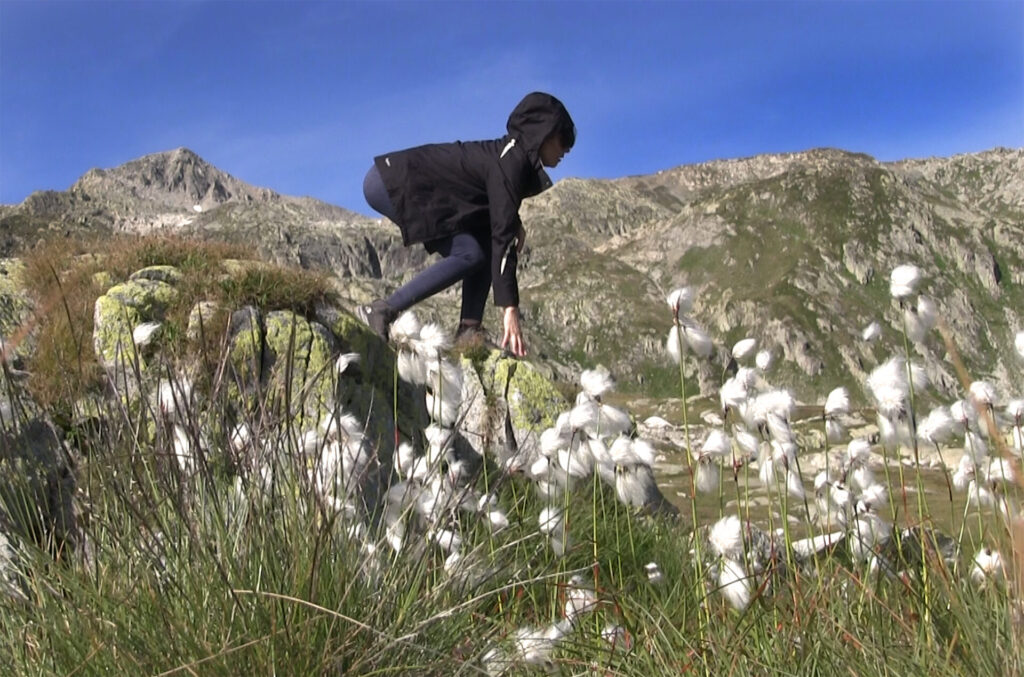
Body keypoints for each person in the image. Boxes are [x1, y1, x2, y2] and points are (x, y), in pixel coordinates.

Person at [360, 91, 576, 357]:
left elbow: (497, 208)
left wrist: (513, 220)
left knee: (478, 247)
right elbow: (503, 237)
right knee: (473, 252)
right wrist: (510, 307)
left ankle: (468, 330)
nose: (567, 149)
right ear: (542, 133)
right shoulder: (511, 160)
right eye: (563, 138)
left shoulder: (511, 159)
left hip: (397, 181)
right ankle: (381, 310)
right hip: (391, 182)